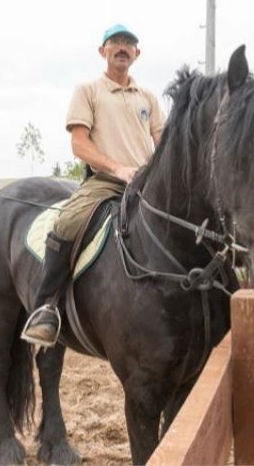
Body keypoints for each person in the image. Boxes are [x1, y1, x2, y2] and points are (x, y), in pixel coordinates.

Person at [22, 23, 165, 346]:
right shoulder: (88, 91)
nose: (122, 47)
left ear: (137, 54)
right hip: (105, 182)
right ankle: (46, 306)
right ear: (103, 51)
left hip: (145, 185)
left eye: (129, 43)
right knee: (68, 222)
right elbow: (80, 145)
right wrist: (118, 168)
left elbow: (163, 142)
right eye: (115, 42)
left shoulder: (148, 98)